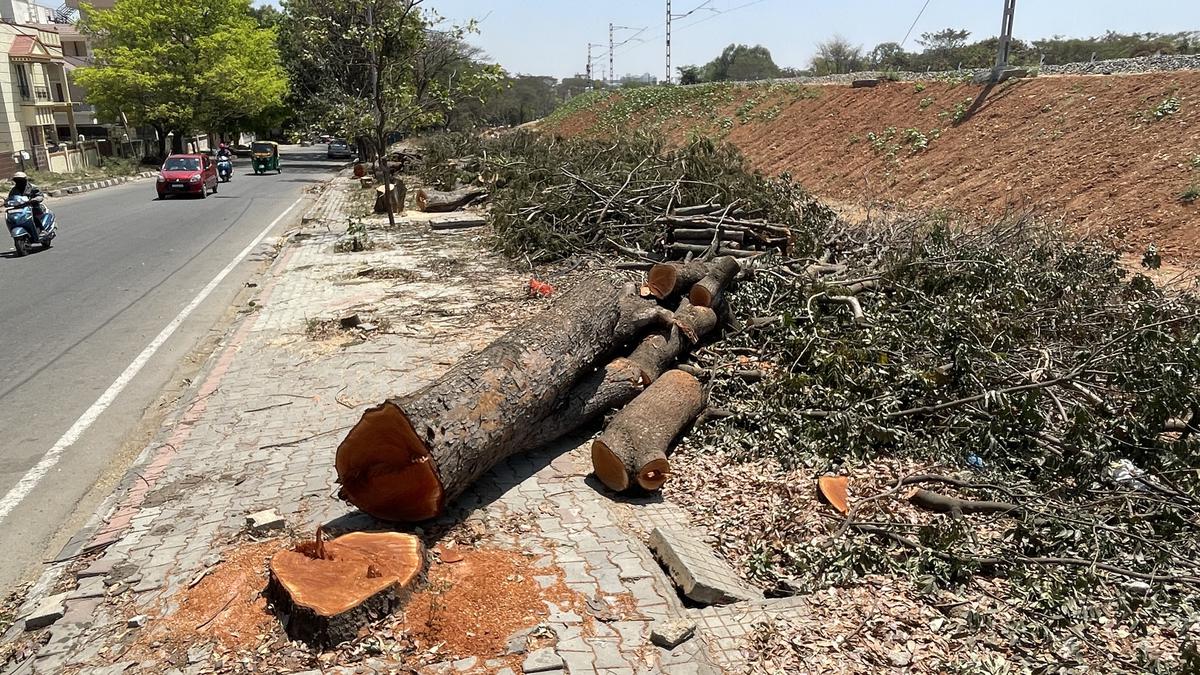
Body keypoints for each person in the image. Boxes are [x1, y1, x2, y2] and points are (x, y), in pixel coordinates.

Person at [9, 172, 45, 242]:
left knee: (34, 215)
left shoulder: (33, 187)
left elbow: (40, 196)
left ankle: (42, 229)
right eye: (17, 180)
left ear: (25, 179)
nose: (19, 182)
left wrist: (34, 199)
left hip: (32, 206)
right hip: (20, 208)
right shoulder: (14, 190)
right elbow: (11, 198)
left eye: (20, 180)